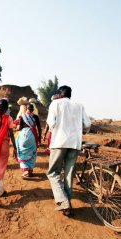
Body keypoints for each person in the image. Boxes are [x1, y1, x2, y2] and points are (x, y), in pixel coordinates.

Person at [46, 85, 91, 216]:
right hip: (74, 143)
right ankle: (67, 203)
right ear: (70, 94)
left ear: (60, 94)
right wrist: (82, 131)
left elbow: (51, 123)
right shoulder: (79, 105)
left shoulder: (55, 104)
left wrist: (54, 130)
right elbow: (87, 124)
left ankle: (64, 202)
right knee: (69, 173)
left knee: (53, 172)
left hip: (59, 142)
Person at [15, 103, 42, 179]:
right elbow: (39, 128)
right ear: (33, 110)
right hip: (32, 136)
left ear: (26, 109)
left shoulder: (22, 116)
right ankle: (30, 170)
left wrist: (15, 127)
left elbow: (19, 128)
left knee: (23, 152)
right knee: (31, 152)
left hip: (23, 136)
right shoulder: (36, 117)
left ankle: (26, 171)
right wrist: (39, 137)